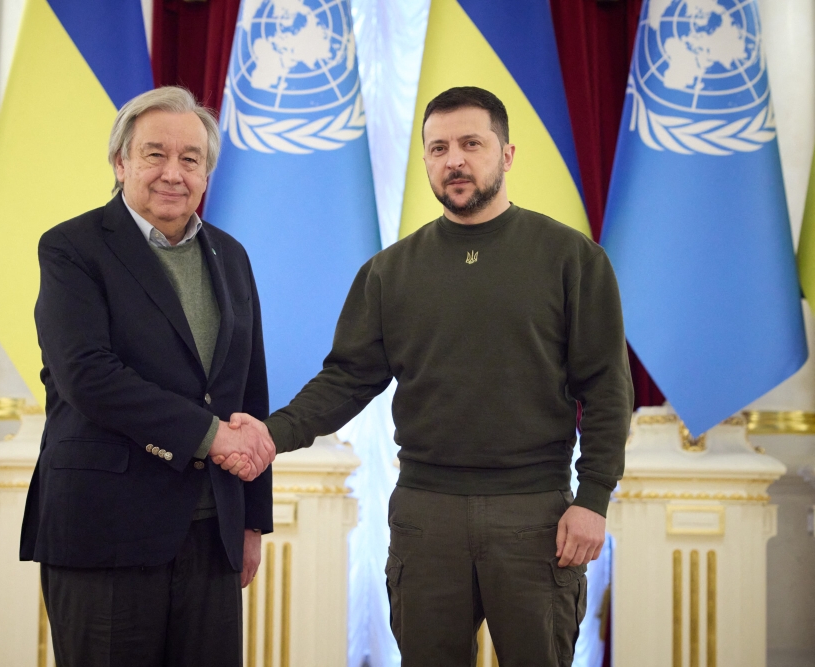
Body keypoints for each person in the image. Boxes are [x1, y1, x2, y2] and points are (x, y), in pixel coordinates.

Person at [221, 86, 634, 666]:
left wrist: (593, 497)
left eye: (471, 143)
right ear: (426, 163)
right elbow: (345, 381)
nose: (454, 160)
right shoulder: (390, 272)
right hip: (424, 514)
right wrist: (270, 434)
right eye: (438, 148)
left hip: (535, 513)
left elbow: (608, 389)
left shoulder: (573, 259)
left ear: (507, 154)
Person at [20, 86, 276, 667]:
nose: (172, 173)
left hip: (212, 531)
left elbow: (248, 393)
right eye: (154, 154)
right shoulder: (72, 248)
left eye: (190, 159)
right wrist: (211, 437)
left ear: (207, 174)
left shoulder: (231, 255)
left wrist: (252, 520)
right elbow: (89, 376)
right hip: (106, 527)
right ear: (121, 162)